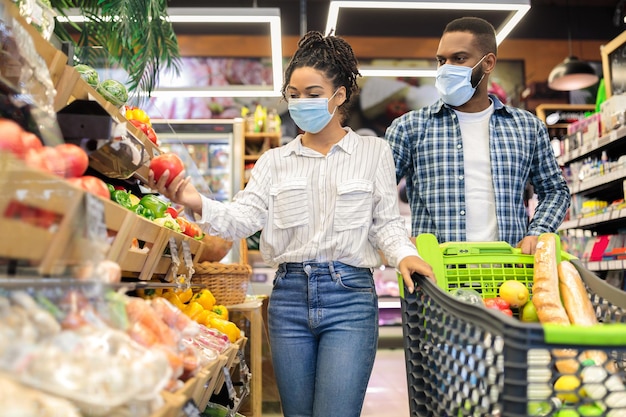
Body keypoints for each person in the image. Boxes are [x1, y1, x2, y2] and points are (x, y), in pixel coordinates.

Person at [148, 30, 434, 417]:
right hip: (288, 299)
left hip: (349, 298)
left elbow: (385, 223)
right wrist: (191, 199)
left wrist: (405, 255)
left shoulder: (374, 152)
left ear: (340, 95)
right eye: (293, 94)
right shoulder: (273, 161)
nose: (301, 103)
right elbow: (242, 218)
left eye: (313, 94)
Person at [385, 17, 571, 254]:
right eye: (442, 60)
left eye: (459, 59)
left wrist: (538, 232)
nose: (446, 68)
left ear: (488, 63)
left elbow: (555, 190)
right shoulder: (409, 127)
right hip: (435, 277)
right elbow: (375, 195)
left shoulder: (527, 128)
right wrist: (398, 243)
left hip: (507, 276)